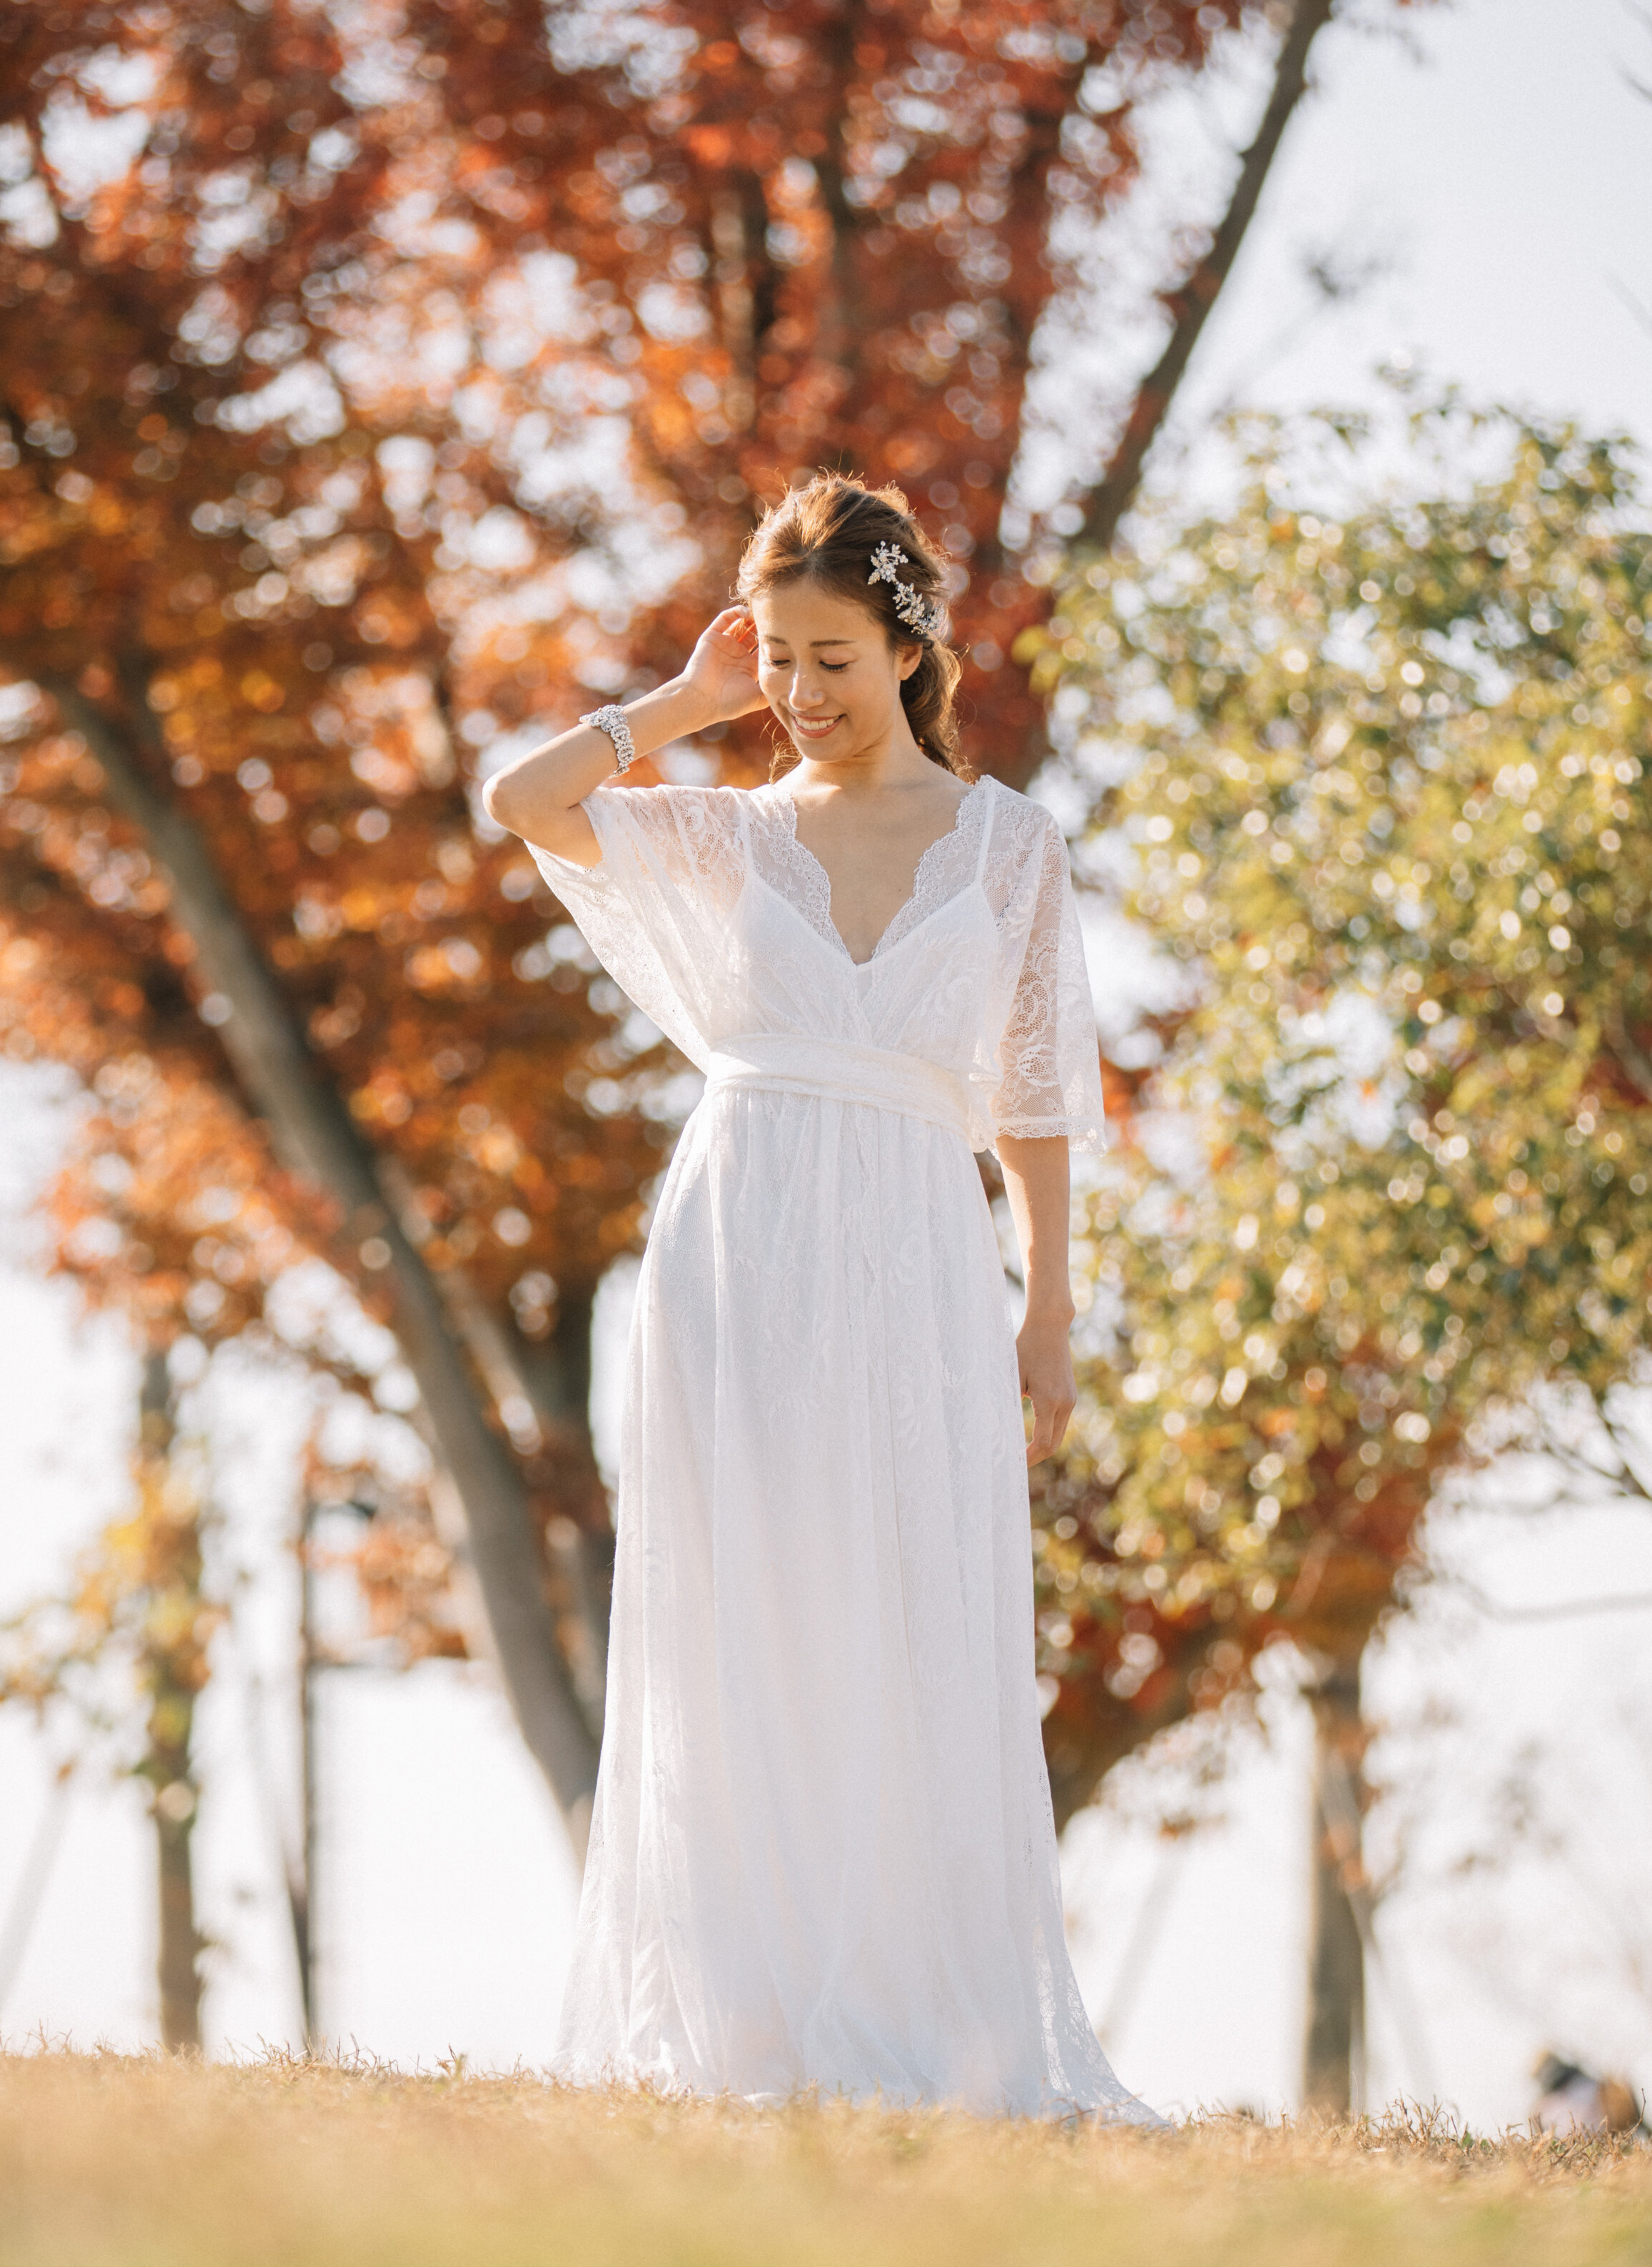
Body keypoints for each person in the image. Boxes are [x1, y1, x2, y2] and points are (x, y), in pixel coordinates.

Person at [484, 474, 1158, 2121]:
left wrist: (1046, 1308)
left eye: (831, 656)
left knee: (906, 1597)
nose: (798, 689)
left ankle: (922, 2005)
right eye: (776, 655)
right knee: (745, 1599)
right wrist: (677, 704)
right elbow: (522, 800)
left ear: (909, 645)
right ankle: (750, 2009)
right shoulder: (727, 830)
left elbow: (1035, 1101)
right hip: (741, 1235)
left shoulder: (1007, 848)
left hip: (922, 1248)